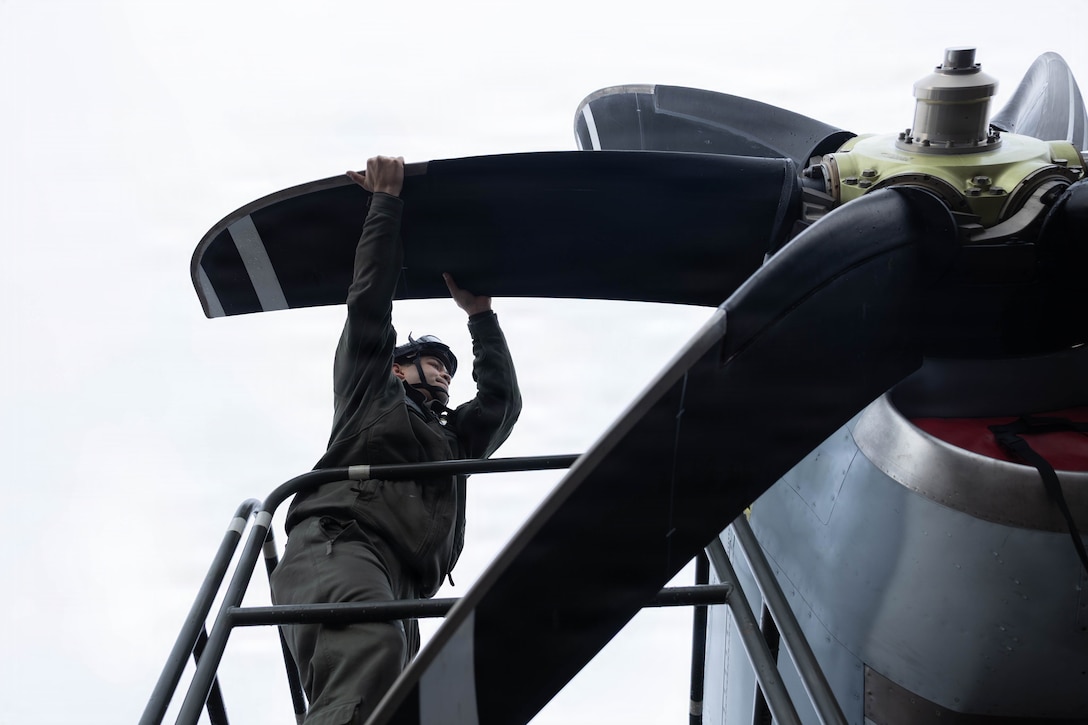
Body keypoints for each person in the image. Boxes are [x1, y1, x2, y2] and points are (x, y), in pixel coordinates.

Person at [270, 155, 522, 724]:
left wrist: (480, 316)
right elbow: (369, 306)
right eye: (431, 363)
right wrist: (386, 205)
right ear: (398, 368)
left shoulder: (450, 439)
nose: (443, 374)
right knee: (373, 658)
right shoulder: (369, 393)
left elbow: (502, 406)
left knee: (404, 703)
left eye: (448, 370)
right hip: (339, 544)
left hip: (403, 581)